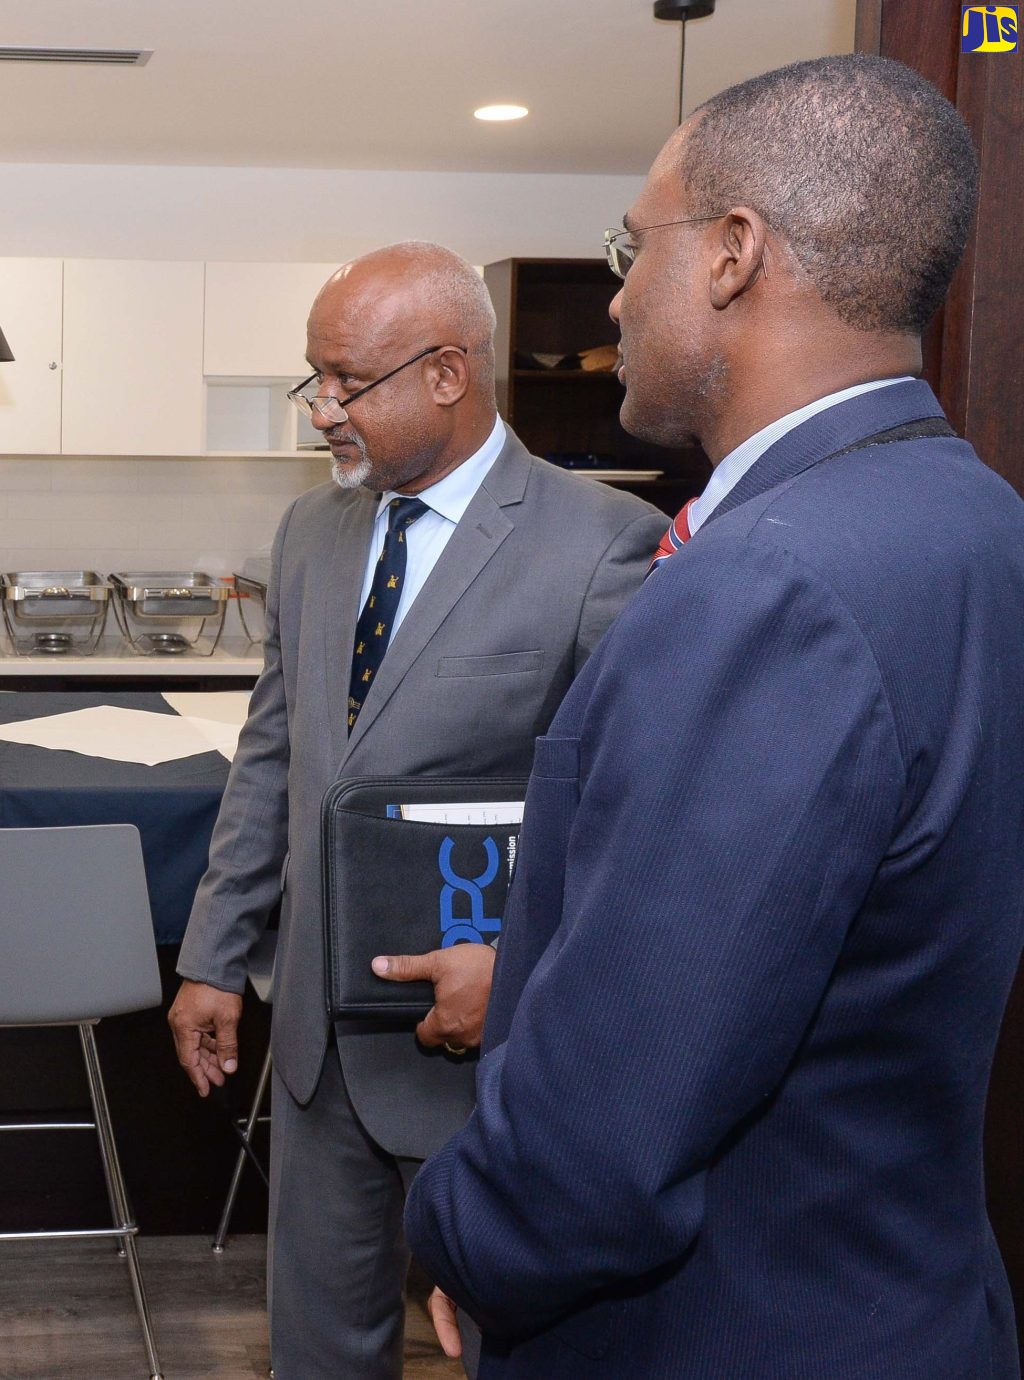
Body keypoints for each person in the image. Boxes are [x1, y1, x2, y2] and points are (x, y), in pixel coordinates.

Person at [407, 54, 1024, 1379]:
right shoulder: (976, 521)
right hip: (897, 1300)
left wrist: (461, 1234)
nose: (619, 291)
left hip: (727, 1327)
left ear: (736, 253)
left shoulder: (765, 586)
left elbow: (612, 1123)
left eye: (637, 245)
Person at [167, 241, 666, 1377]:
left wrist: (515, 964)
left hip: (484, 1047)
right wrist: (213, 954)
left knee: (506, 1346)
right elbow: (275, 758)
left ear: (445, 372)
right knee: (318, 1350)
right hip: (313, 1047)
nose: (319, 414)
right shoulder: (310, 534)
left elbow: (631, 818)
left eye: (345, 381)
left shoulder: (601, 548)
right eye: (314, 379)